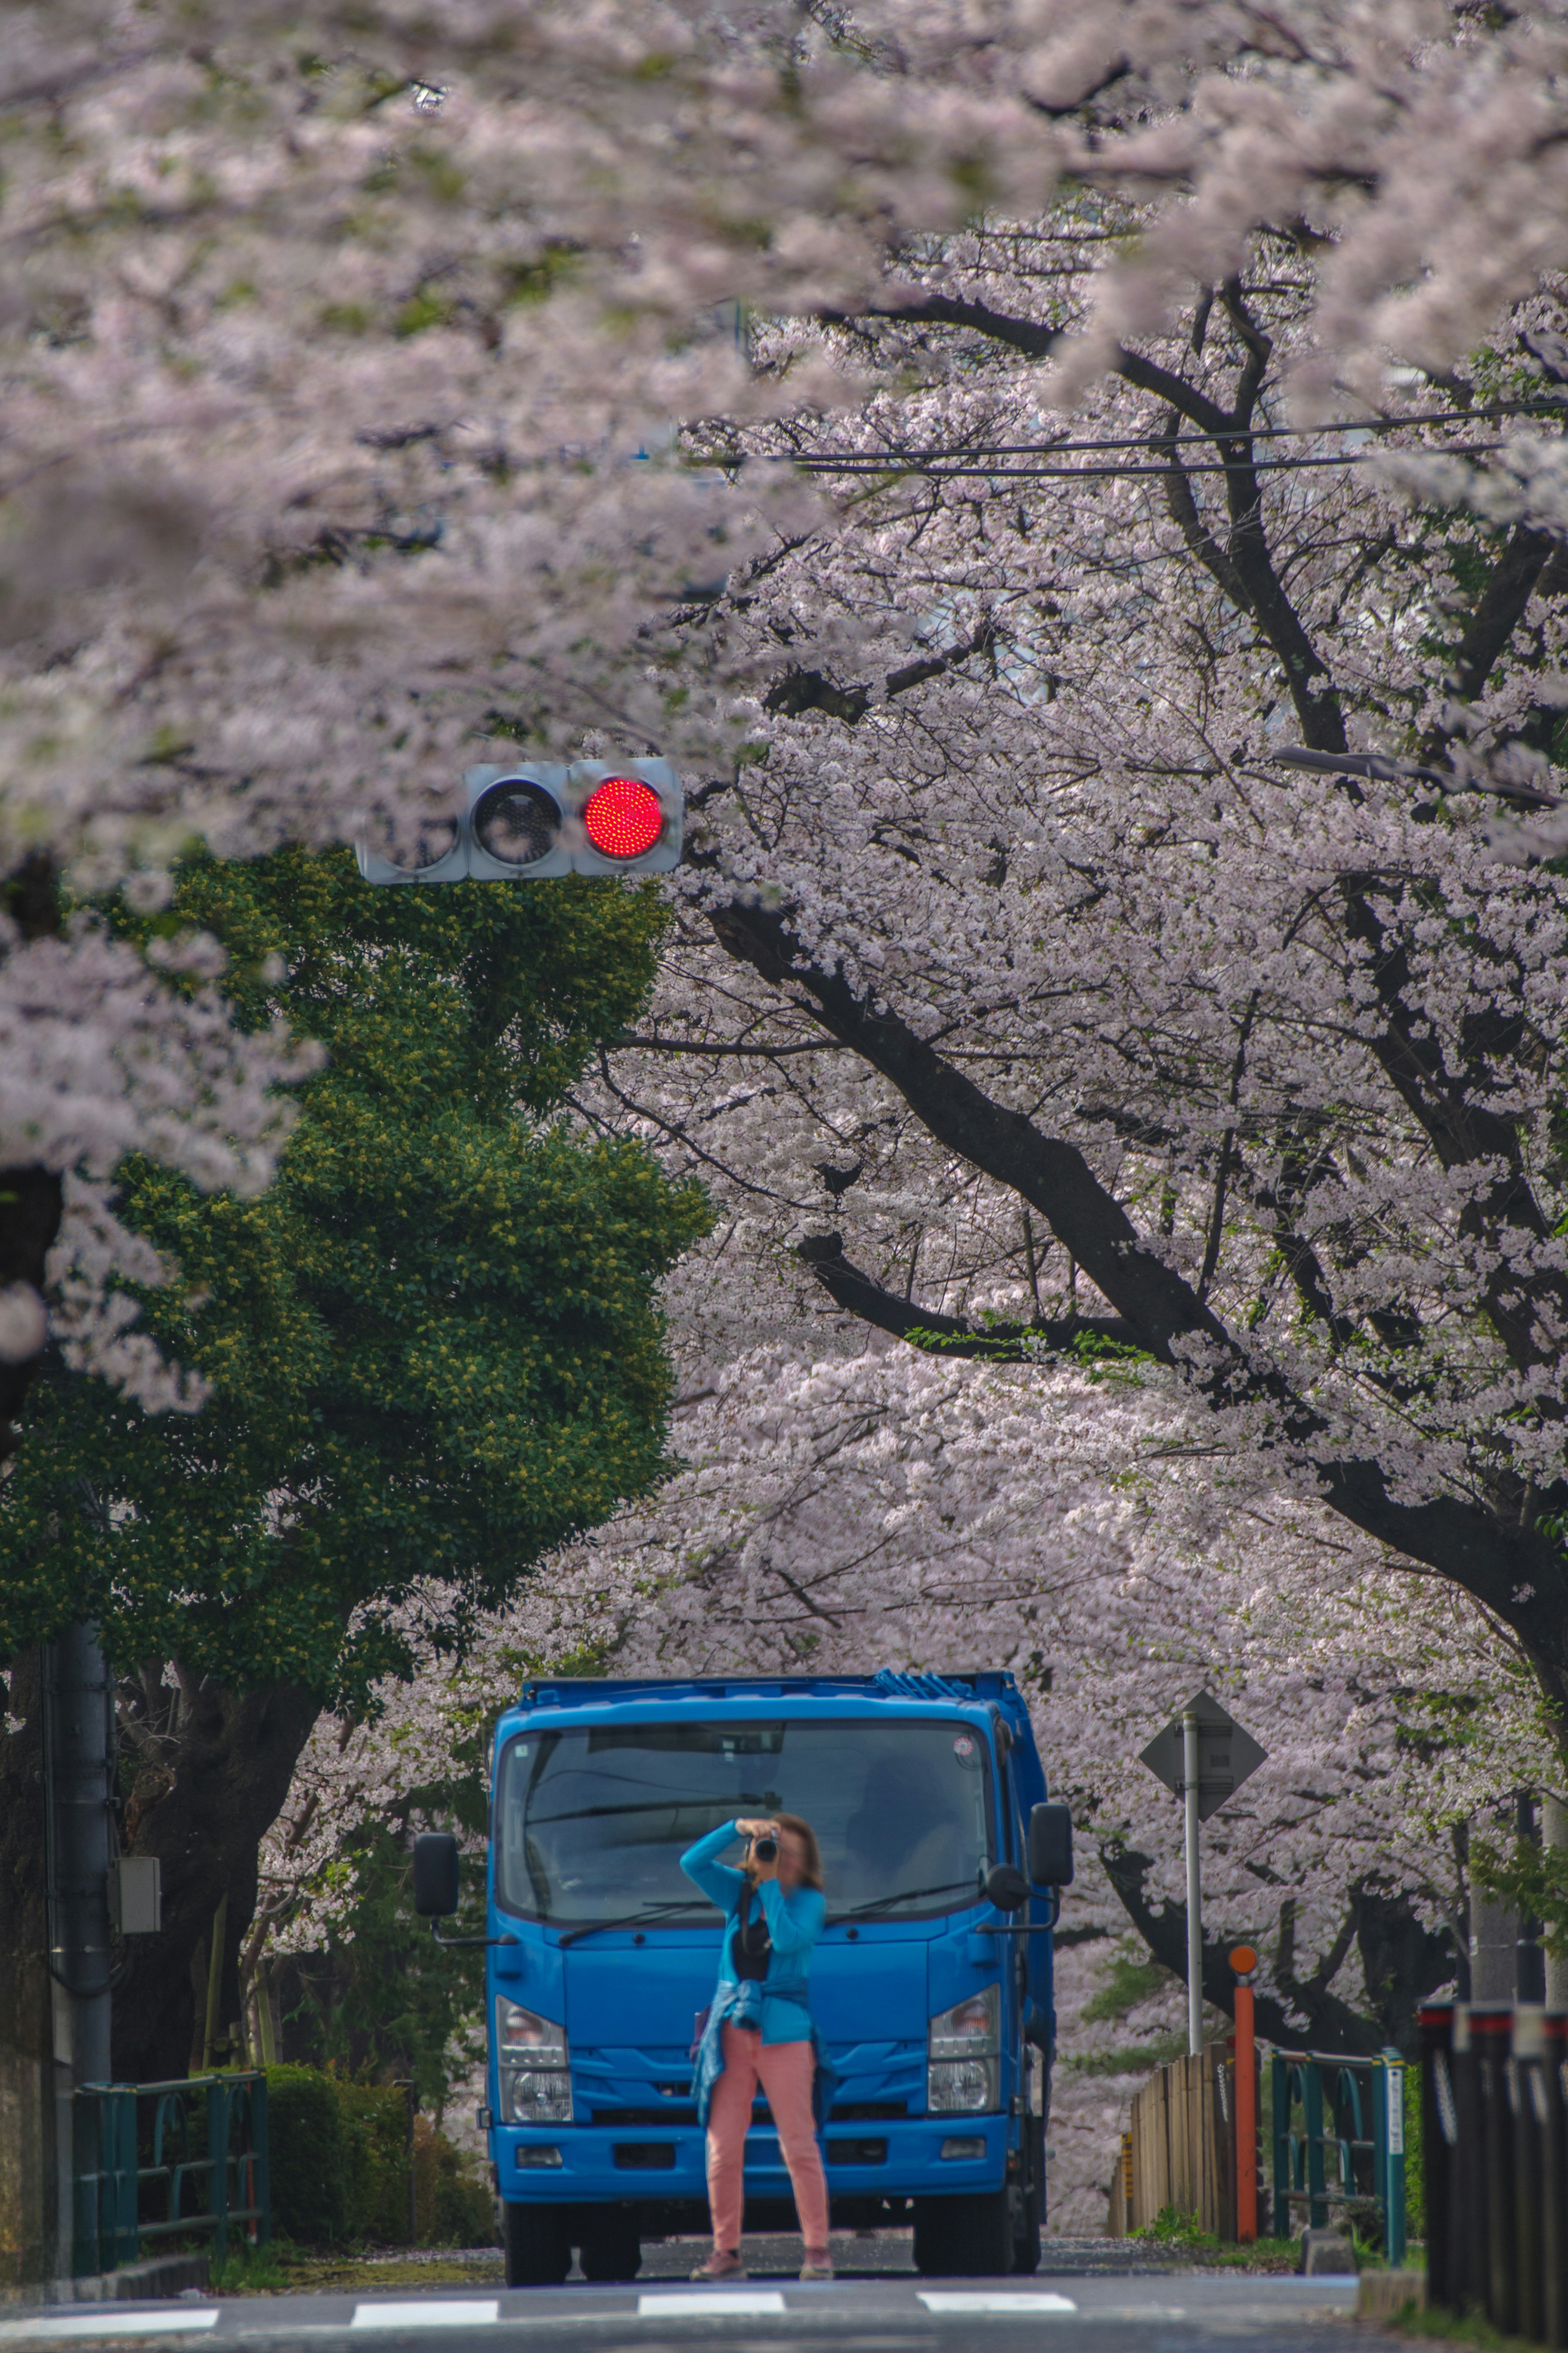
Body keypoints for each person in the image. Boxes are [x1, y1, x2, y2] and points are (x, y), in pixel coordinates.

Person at [680, 1811, 831, 2284]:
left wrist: (769, 1886)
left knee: (798, 2144)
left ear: (805, 1863)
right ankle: (726, 2252)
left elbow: (786, 1940)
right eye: (772, 1847)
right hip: (731, 2031)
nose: (779, 1858)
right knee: (723, 2145)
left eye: (789, 1852)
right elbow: (691, 1862)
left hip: (784, 2034)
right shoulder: (737, 1894)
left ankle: (818, 2250)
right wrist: (737, 1829)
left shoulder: (809, 1903)